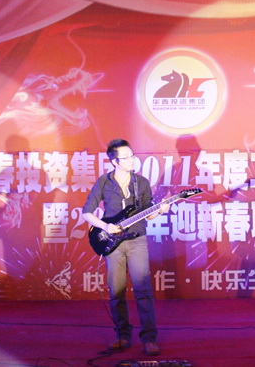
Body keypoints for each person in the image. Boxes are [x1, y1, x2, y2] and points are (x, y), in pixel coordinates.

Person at [83, 139, 169, 356]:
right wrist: (105, 226)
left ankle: (149, 339)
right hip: (112, 244)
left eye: (132, 155)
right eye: (126, 157)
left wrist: (160, 210)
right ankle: (122, 336)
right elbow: (87, 213)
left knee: (143, 290)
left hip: (137, 240)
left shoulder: (141, 182)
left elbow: (148, 213)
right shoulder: (104, 182)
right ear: (114, 161)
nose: (132, 160)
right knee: (117, 292)